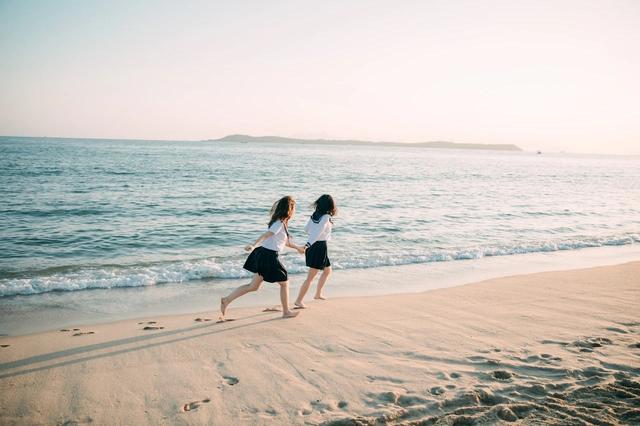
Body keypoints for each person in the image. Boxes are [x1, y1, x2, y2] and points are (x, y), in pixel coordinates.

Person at [220, 196, 305, 320]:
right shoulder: (279, 223)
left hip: (264, 254)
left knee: (253, 286)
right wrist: (254, 245)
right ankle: (286, 311)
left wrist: (298, 248)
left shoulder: (281, 223)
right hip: (269, 256)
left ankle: (226, 300)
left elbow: (283, 242)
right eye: (294, 208)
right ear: (289, 209)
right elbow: (267, 235)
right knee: (284, 283)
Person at [294, 194, 336, 308]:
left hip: (316, 246)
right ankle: (299, 300)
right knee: (310, 277)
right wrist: (308, 244)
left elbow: (306, 229)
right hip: (318, 247)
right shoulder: (326, 217)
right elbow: (318, 232)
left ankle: (318, 294)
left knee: (327, 271)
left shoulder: (315, 215)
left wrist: (310, 240)